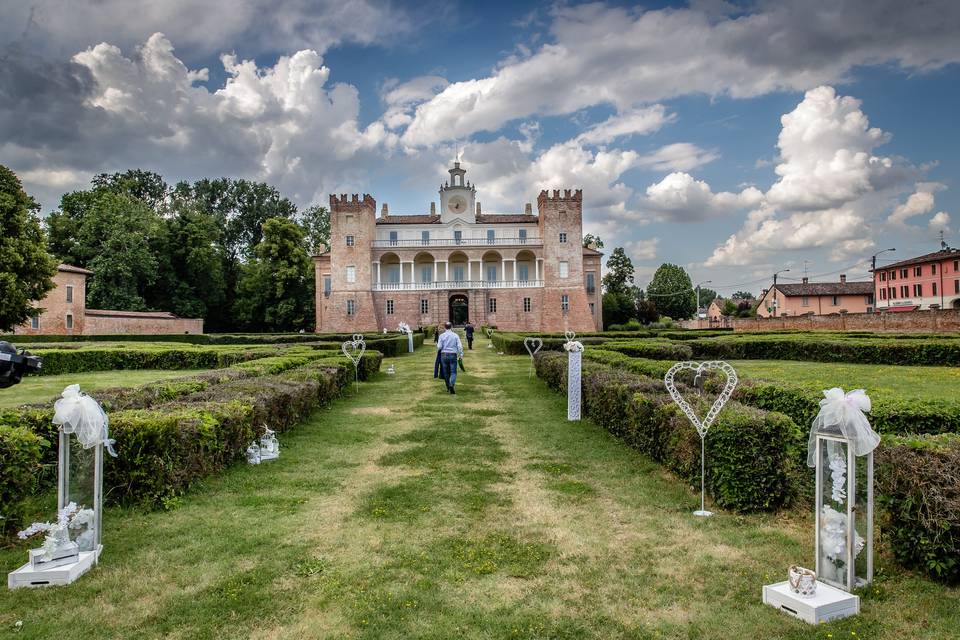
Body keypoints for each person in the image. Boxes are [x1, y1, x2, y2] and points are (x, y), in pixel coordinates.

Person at [436, 321, 464, 394]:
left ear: (445, 327)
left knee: (446, 372)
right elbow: (460, 346)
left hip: (444, 355)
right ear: (451, 327)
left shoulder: (442, 336)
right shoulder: (455, 335)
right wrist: (461, 354)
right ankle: (452, 385)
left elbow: (439, 347)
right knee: (453, 372)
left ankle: (448, 387)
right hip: (452, 354)